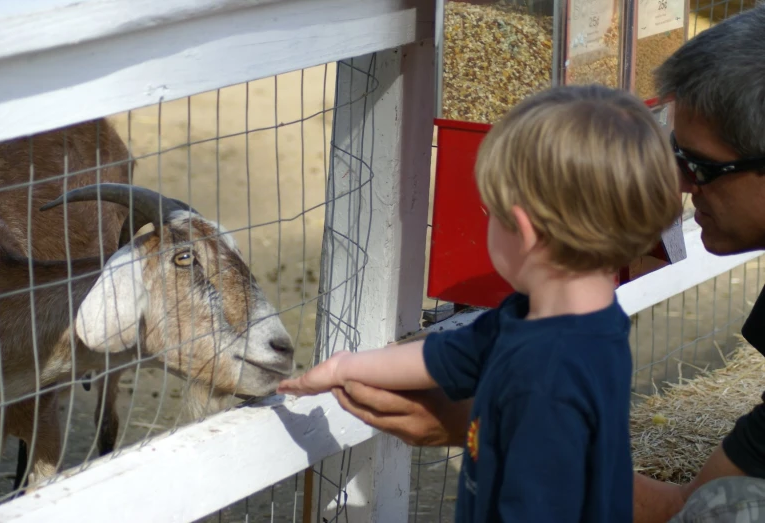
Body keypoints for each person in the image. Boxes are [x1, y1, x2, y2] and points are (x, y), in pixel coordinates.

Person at [324, 4, 765, 523]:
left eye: (701, 165)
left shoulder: (555, 367)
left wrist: (492, 426)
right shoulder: (591, 330)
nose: (681, 184)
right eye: (675, 153)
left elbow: (696, 510)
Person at [279, 84, 682, 522]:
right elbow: (452, 353)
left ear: (524, 231)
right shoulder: (565, 321)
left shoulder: (545, 381)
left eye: (489, 212)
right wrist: (345, 367)